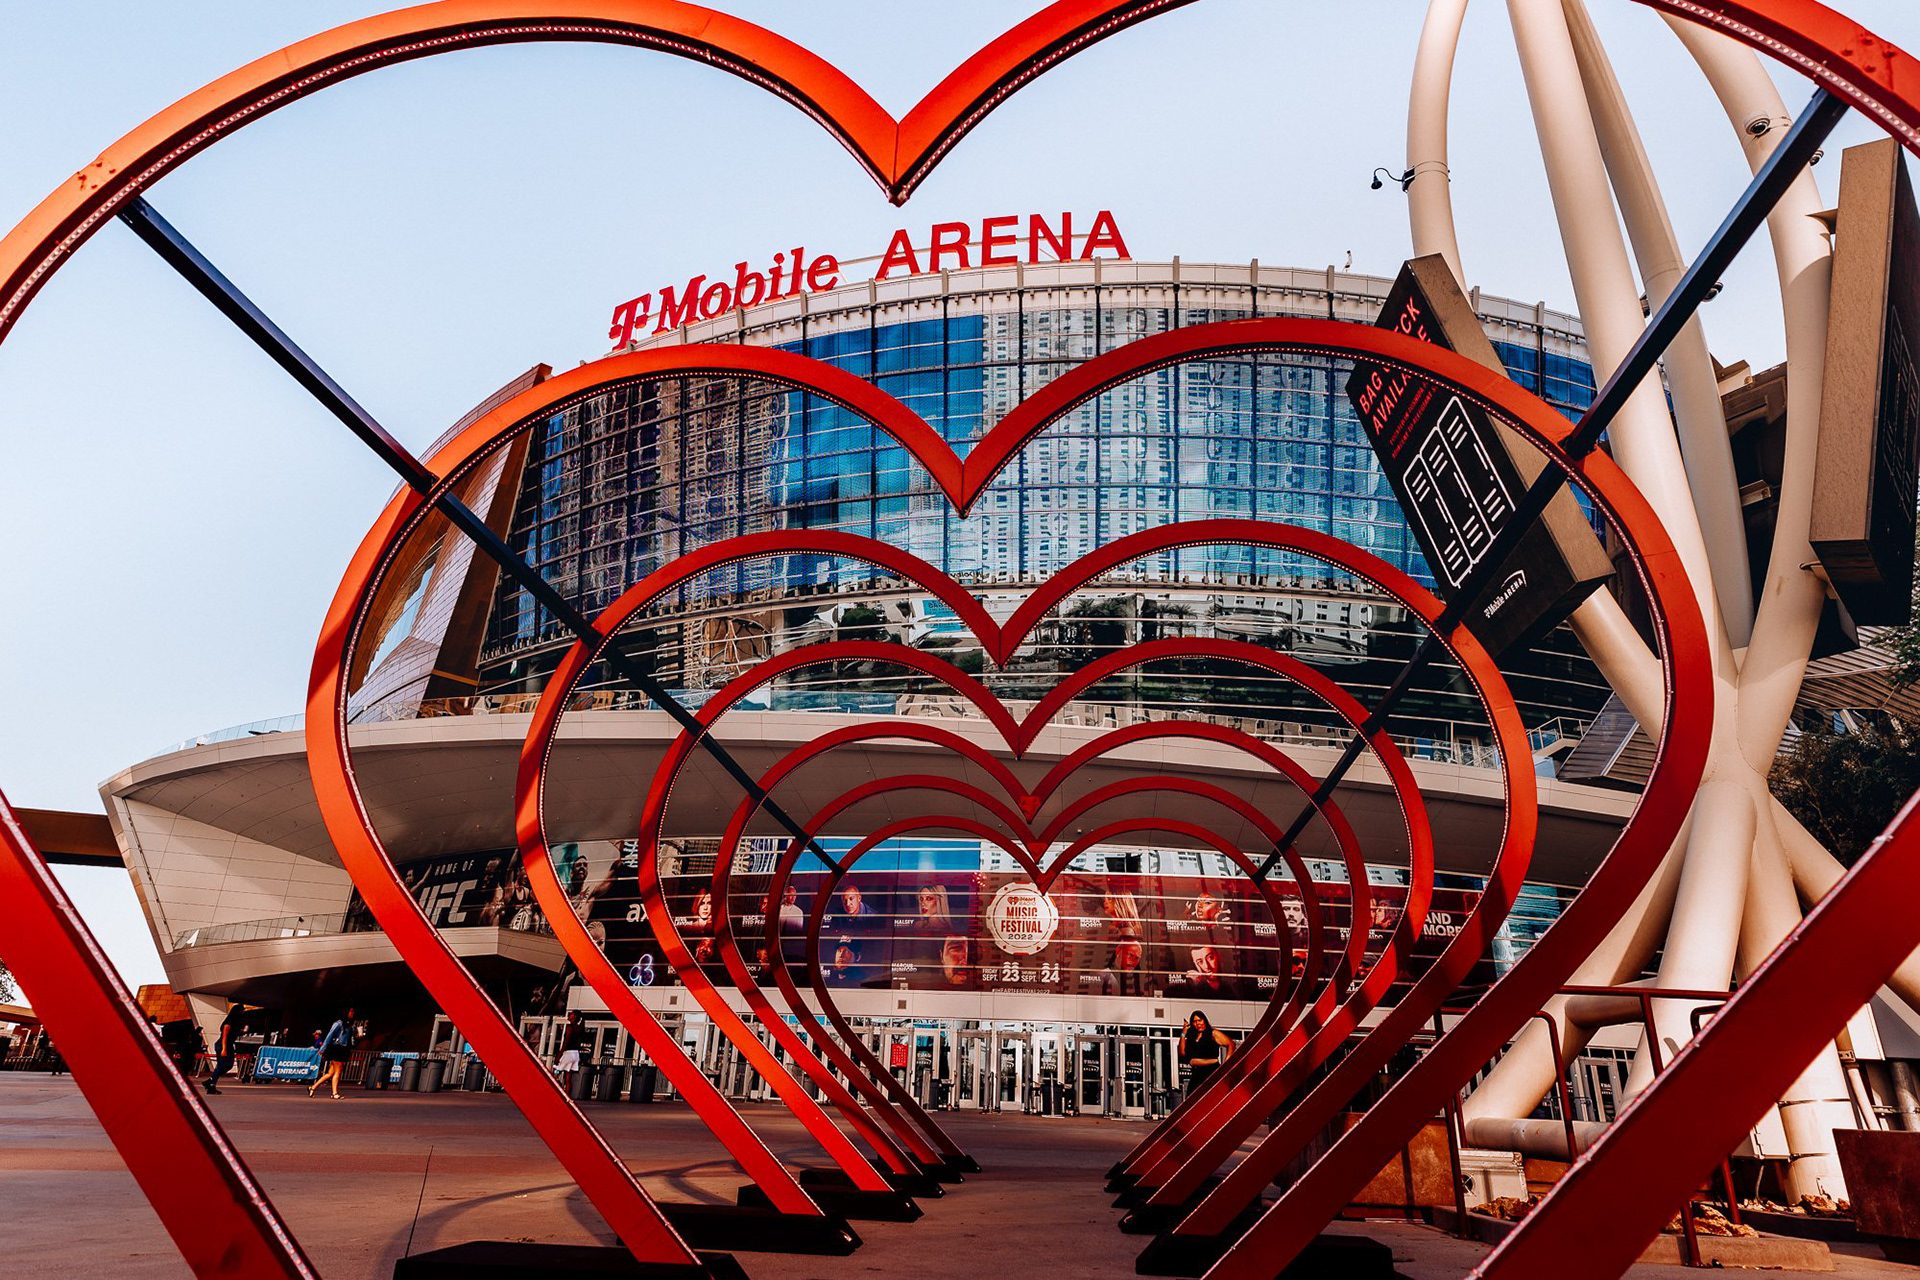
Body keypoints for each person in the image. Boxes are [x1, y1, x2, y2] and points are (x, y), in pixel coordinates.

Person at [1178, 1010, 1234, 1096]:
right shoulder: (1192, 1038)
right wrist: (1183, 1033)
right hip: (1196, 1074)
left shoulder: (1213, 1033)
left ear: (1204, 1020)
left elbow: (1230, 1043)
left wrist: (1226, 1064)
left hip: (1211, 1071)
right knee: (1192, 1100)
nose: (1198, 1023)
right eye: (1195, 1021)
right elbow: (1182, 1053)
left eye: (1199, 1020)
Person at [310, 1008, 356, 1099]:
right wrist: (322, 1050)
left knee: (330, 1073)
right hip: (337, 1048)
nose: (352, 1013)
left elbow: (350, 1038)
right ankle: (334, 1093)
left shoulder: (350, 1024)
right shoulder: (338, 1023)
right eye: (350, 1011)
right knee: (338, 1071)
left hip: (343, 1049)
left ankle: (312, 1087)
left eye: (353, 1012)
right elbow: (329, 1036)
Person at [204, 1003, 248, 1094]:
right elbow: (224, 1036)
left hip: (229, 1045)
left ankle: (211, 1080)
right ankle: (212, 1085)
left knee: (229, 1065)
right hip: (223, 1045)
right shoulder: (228, 1023)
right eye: (242, 1011)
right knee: (221, 1065)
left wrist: (243, 1032)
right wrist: (224, 1049)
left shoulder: (235, 1024)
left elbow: (234, 1034)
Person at [555, 1010, 587, 1092]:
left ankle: (555, 1090)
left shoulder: (570, 1027)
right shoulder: (579, 1028)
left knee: (556, 1072)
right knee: (568, 1078)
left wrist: (559, 1055)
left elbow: (566, 1042)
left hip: (568, 1053)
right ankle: (567, 1095)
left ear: (575, 1016)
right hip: (575, 1054)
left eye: (571, 1014)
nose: (569, 1015)